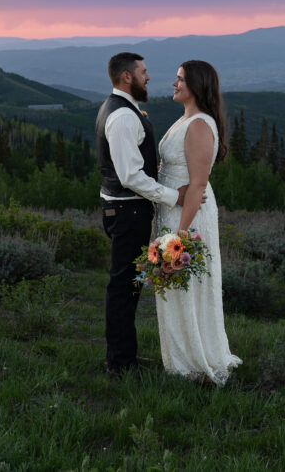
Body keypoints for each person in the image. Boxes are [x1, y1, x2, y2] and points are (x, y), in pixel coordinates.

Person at [96, 52, 192, 374]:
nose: (148, 77)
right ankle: (120, 364)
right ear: (127, 77)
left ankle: (124, 356)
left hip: (125, 211)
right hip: (126, 212)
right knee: (124, 287)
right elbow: (131, 176)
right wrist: (172, 197)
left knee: (128, 286)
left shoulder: (121, 109)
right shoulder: (122, 117)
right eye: (144, 72)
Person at [154, 60, 241, 385]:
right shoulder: (185, 119)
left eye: (179, 79)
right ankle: (179, 357)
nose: (173, 84)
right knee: (173, 288)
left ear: (196, 85)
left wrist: (179, 237)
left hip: (189, 217)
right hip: (174, 211)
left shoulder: (201, 125)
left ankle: (195, 360)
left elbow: (198, 185)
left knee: (188, 284)